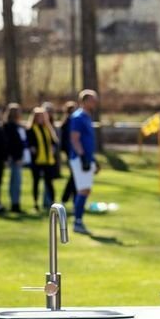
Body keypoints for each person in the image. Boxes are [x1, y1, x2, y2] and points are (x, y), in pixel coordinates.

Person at [68, 89, 99, 234]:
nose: (95, 102)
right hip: (80, 159)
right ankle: (77, 221)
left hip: (87, 158)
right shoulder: (78, 117)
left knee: (86, 190)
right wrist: (83, 158)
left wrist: (93, 159)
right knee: (83, 190)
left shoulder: (87, 116)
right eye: (93, 99)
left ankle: (78, 219)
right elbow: (75, 139)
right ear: (85, 101)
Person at [28, 106, 59, 212]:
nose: (41, 119)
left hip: (48, 160)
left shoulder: (48, 129)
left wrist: (53, 148)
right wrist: (32, 149)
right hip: (36, 161)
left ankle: (52, 202)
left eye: (42, 116)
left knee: (49, 182)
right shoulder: (31, 129)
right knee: (36, 182)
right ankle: (36, 203)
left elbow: (55, 142)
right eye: (38, 117)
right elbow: (29, 143)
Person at [3, 103, 28, 213]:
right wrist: (16, 157)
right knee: (15, 181)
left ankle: (16, 202)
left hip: (19, 157)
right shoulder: (9, 127)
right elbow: (11, 144)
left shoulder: (18, 126)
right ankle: (14, 204)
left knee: (17, 181)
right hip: (15, 158)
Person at [59, 100, 77, 204]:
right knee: (74, 176)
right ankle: (65, 198)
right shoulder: (69, 123)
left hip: (72, 153)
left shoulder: (69, 122)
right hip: (71, 153)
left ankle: (74, 199)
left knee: (75, 177)